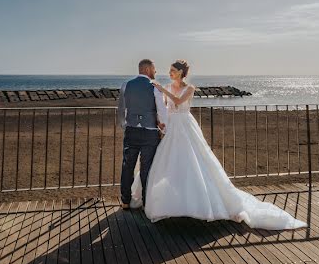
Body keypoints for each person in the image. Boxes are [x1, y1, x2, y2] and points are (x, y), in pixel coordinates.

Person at [131, 59, 306, 230]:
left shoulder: (189, 88)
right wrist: (160, 121)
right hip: (171, 126)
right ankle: (171, 203)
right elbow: (165, 107)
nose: (169, 73)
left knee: (194, 160)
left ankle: (199, 204)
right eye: (169, 71)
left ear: (181, 73)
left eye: (173, 71)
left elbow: (178, 102)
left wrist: (162, 90)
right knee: (169, 162)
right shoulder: (167, 88)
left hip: (185, 126)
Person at [116, 58, 167, 210]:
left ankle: (125, 201)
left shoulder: (126, 85)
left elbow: (121, 108)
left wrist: (124, 125)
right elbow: (161, 110)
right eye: (154, 69)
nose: (155, 72)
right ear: (146, 69)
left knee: (127, 166)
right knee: (147, 169)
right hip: (150, 133)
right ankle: (146, 203)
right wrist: (164, 130)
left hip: (131, 131)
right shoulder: (154, 87)